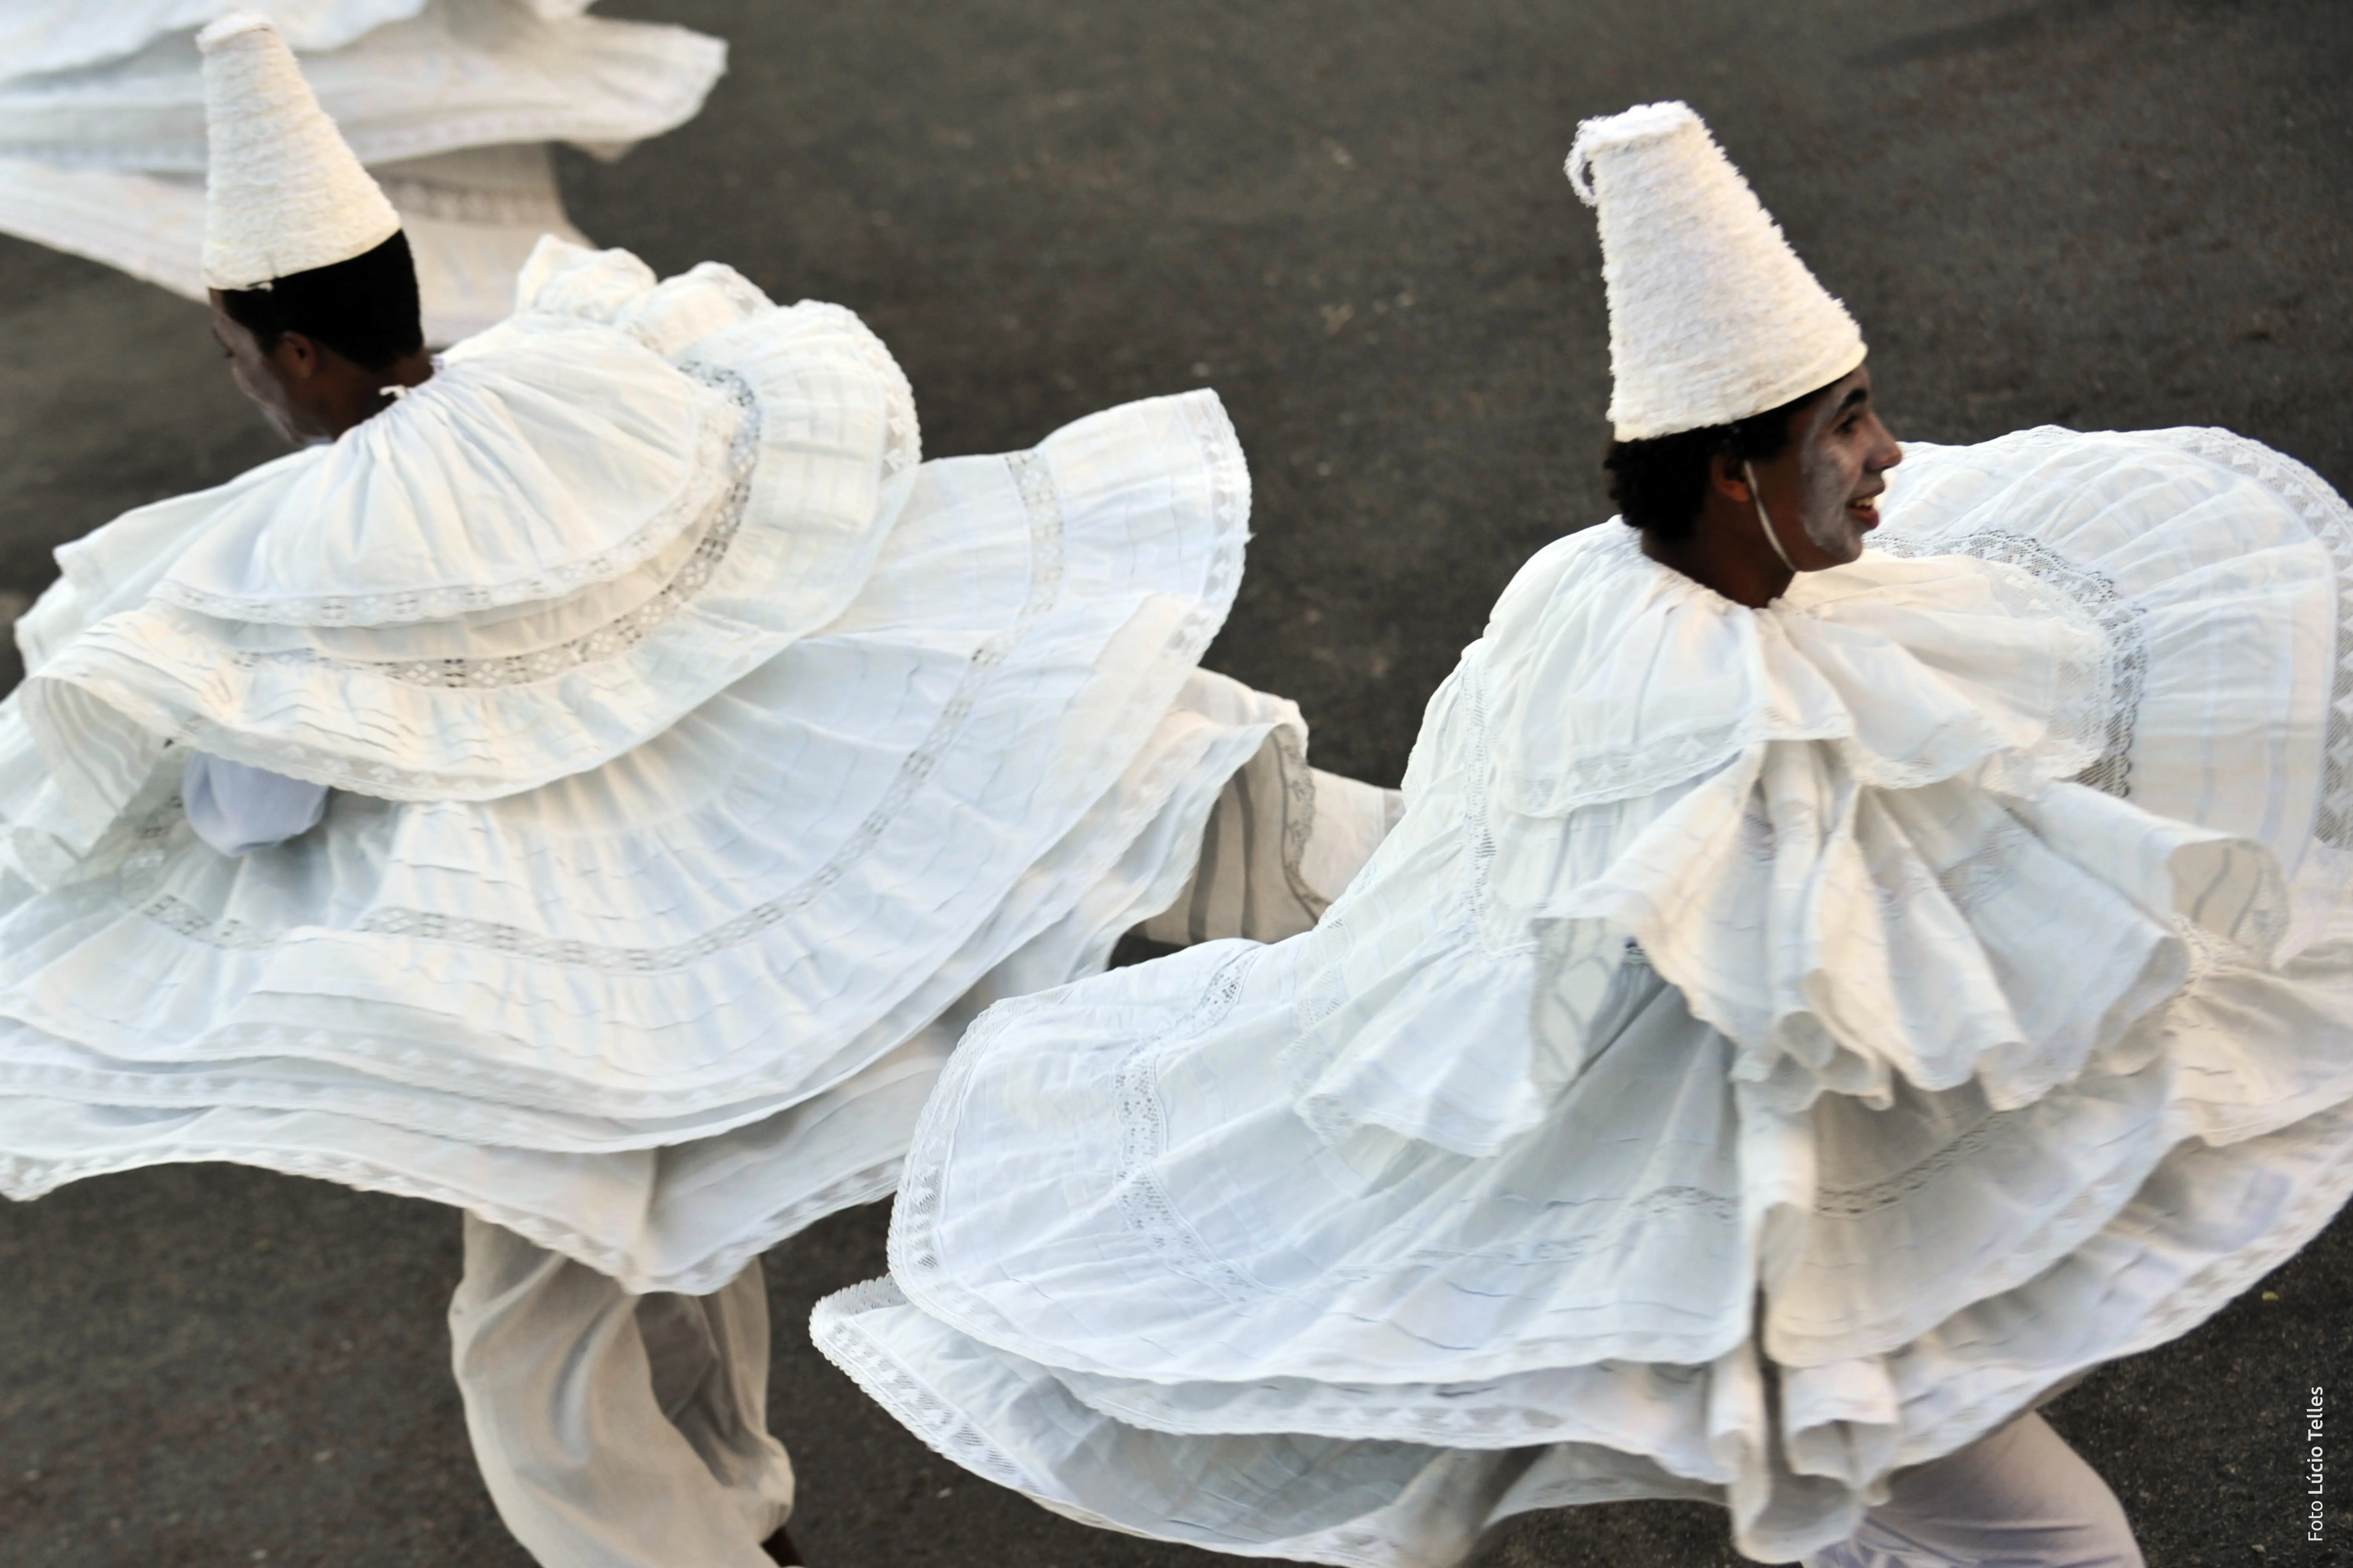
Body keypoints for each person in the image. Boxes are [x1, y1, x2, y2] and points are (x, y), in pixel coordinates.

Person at [813, 100, 2353, 1566]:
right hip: (1765, 1256)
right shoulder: (1646, 674)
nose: (1886, 453)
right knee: (2047, 1537)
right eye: (1847, 423)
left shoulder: (1816, 603)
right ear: (1737, 471)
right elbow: (1527, 918)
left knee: (1908, 1505)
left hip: (1838, 1234)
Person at [0, 16, 1397, 1568]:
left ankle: (707, 1534)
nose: (246, 384)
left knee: (543, 1334)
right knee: (1099, 785)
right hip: (738, 867)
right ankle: (1440, 922)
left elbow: (249, 814)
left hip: (561, 982)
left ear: (295, 351)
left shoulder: (289, 545)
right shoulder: (578, 376)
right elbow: (791, 502)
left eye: (238, 351)